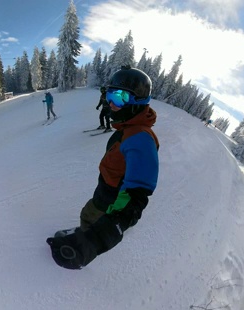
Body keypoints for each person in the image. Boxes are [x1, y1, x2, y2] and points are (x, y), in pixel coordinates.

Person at [46, 66, 160, 270]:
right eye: (110, 95)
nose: (111, 103)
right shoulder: (128, 129)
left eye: (119, 97)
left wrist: (92, 242)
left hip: (112, 201)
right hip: (105, 191)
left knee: (89, 213)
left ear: (138, 101)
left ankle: (85, 233)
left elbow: (136, 198)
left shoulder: (141, 139)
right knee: (88, 212)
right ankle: (86, 228)